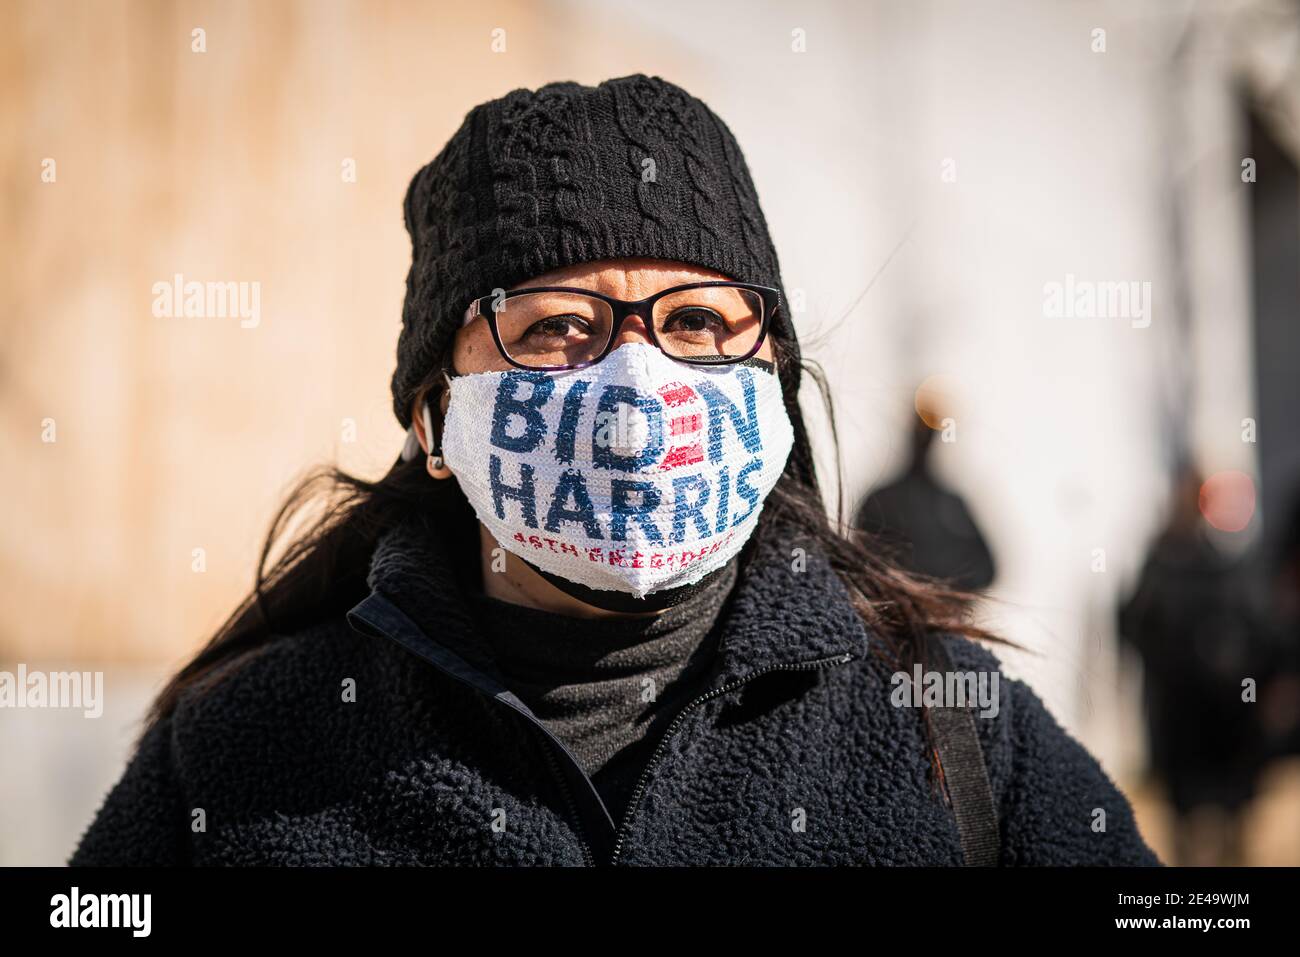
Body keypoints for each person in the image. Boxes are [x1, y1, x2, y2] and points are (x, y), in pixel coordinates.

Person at [69, 74, 1157, 866]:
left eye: (695, 320)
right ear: (430, 417)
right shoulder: (240, 755)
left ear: (773, 376)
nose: (638, 384)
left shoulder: (953, 730)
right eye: (555, 327)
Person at [854, 409, 996, 591]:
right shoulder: (881, 500)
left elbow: (986, 569)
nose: (924, 440)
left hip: (942, 615)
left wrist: (949, 593)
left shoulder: (953, 504)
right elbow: (861, 561)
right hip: (891, 612)